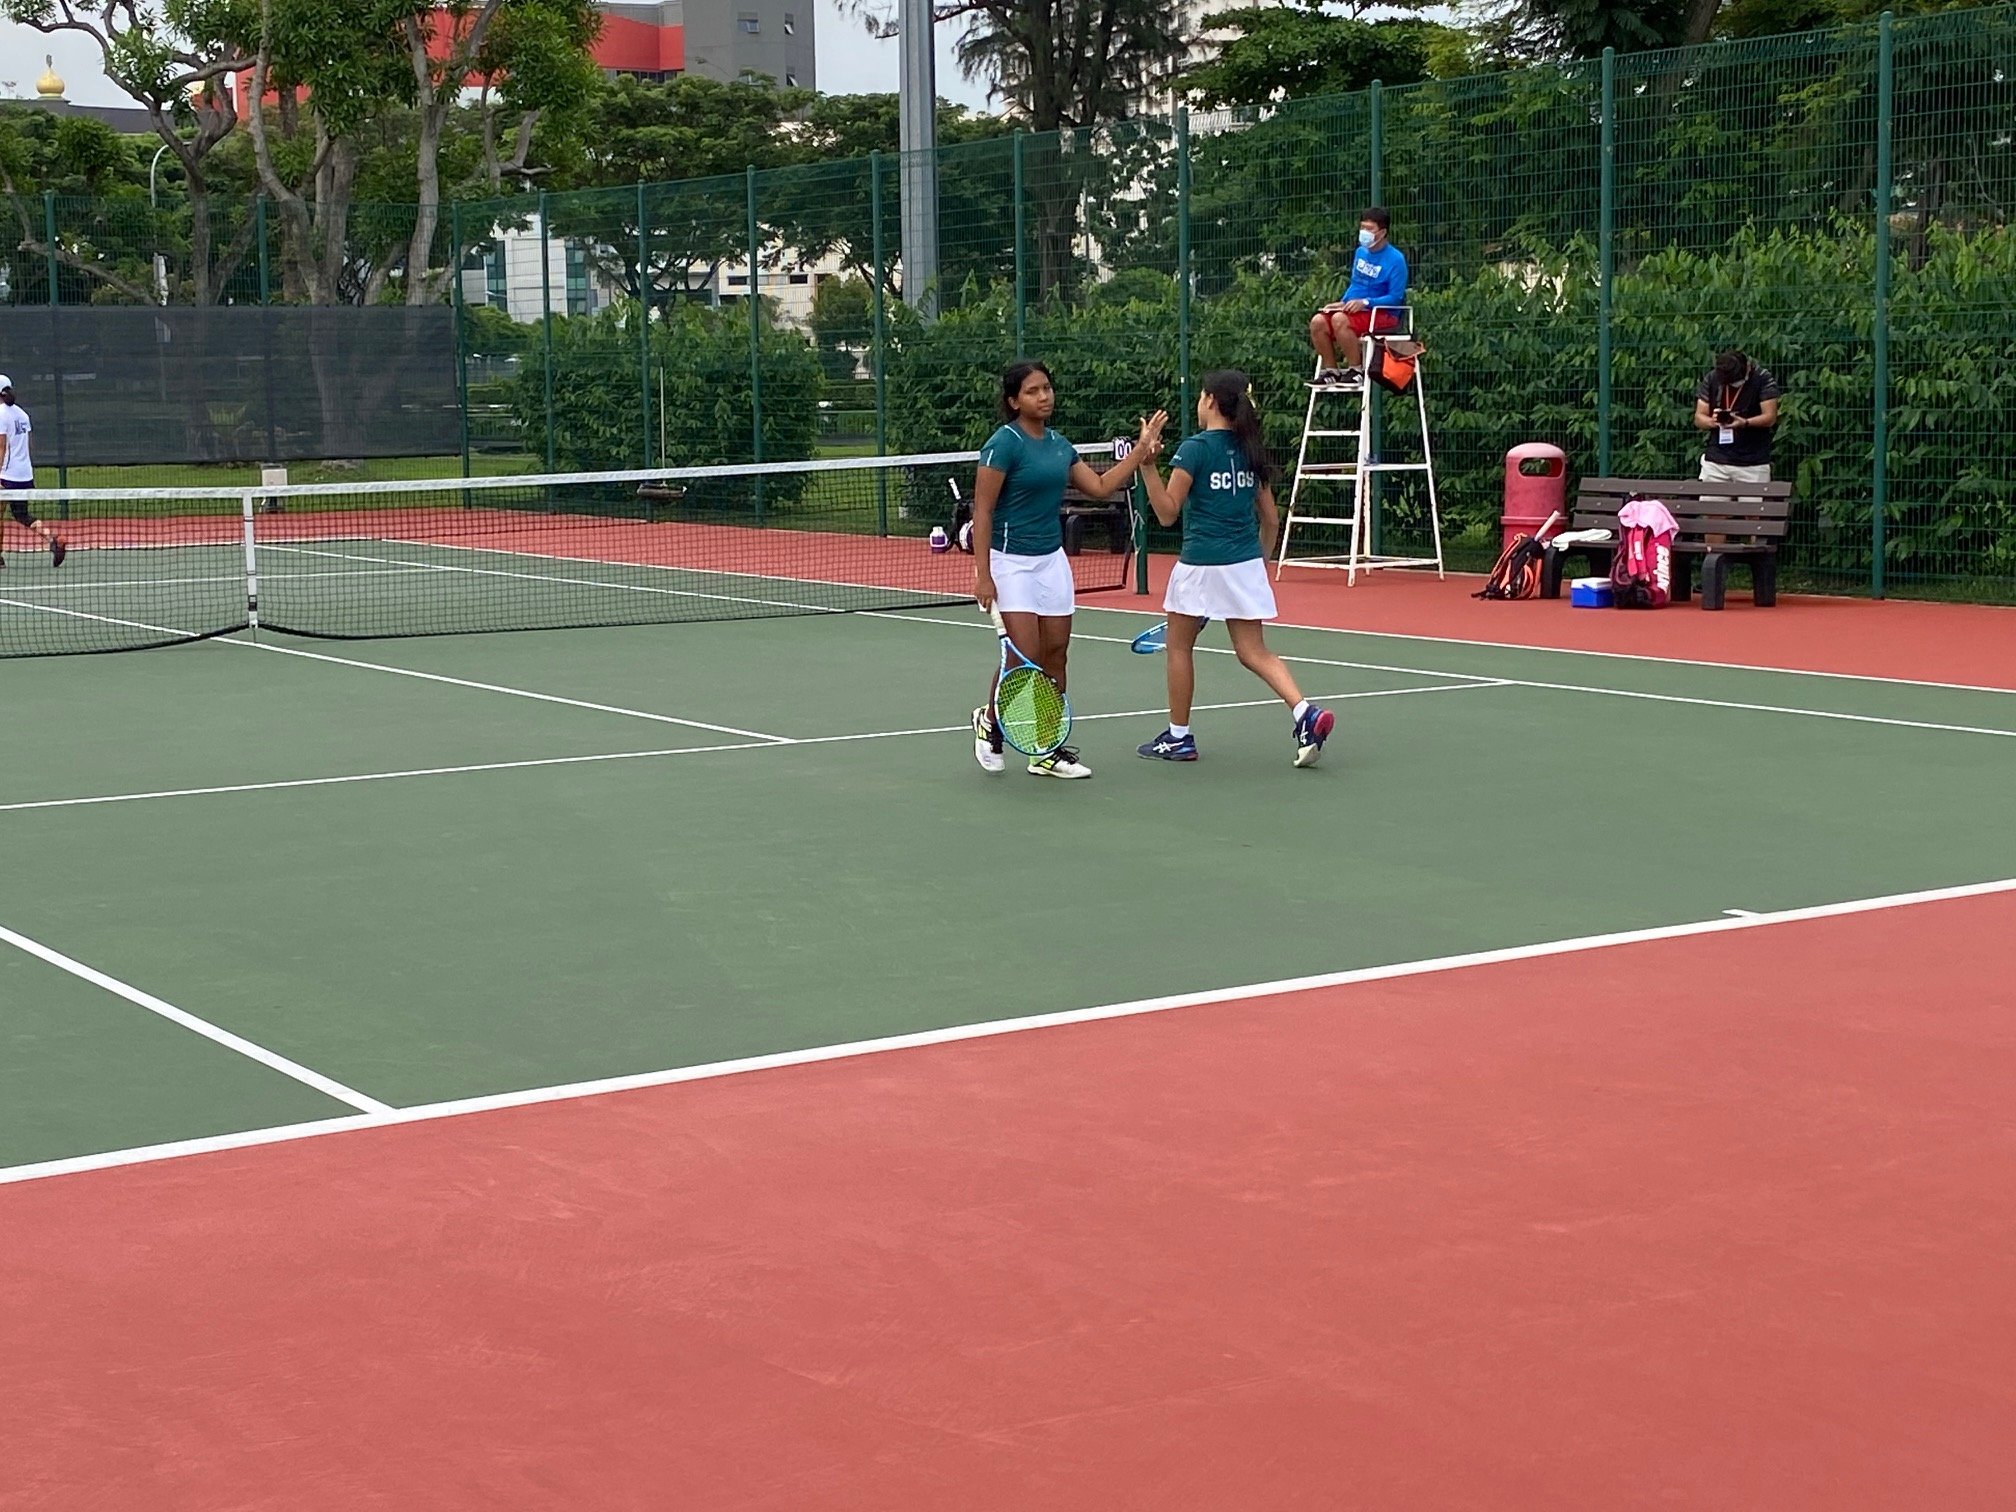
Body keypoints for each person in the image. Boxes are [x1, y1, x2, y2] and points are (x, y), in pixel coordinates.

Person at [970, 359, 1166, 780]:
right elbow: (983, 512)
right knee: (1023, 655)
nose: (1043, 396)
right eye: (1032, 391)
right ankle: (990, 723)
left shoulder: (1060, 446)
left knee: (1056, 654)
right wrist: (983, 573)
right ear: (1013, 400)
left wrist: (1140, 451)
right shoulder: (1003, 444)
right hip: (1010, 563)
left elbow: (1098, 488)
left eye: (1046, 388)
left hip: (1051, 562)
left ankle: (1046, 748)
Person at [1135, 370, 1335, 769]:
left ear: (1209, 400)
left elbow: (1167, 513)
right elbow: (1272, 520)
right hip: (1244, 564)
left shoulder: (1194, 449)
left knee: (1178, 646)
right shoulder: (1249, 449)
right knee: (1253, 651)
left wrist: (1146, 464)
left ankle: (1178, 738)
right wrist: (1255, 567)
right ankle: (1304, 713)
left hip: (1200, 565)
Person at [1308, 208, 1409, 386]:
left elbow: (1395, 297)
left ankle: (1356, 370)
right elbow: (1357, 284)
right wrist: (1342, 303)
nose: (1364, 233)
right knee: (1318, 321)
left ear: (1383, 232)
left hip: (1383, 314)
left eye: (1370, 229)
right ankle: (1331, 371)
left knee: (1340, 320)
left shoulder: (1396, 260)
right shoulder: (1360, 252)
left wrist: (1366, 303)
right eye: (1362, 228)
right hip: (1355, 312)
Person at [0, 375, 67, 570]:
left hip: (7, 476)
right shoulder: (22, 414)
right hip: (24, 475)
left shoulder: (1, 414)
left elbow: (1, 447)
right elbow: (28, 446)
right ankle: (52, 539)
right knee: (21, 514)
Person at [1693, 348, 1781, 482]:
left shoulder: (1762, 378)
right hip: (1716, 461)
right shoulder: (1713, 378)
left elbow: (1770, 417)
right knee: (1710, 502)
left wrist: (1744, 422)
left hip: (1753, 463)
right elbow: (1699, 417)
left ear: (1747, 367)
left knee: (1754, 503)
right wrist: (1714, 422)